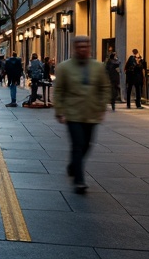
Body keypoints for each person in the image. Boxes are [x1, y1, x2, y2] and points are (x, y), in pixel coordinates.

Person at [55, 35, 110, 193]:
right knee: (78, 145)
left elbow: (105, 88)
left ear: (89, 48)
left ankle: (73, 165)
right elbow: (59, 91)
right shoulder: (64, 67)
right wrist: (60, 111)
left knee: (87, 145)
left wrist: (102, 107)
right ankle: (79, 180)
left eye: (85, 46)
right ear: (74, 48)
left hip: (91, 113)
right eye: (79, 46)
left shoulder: (98, 67)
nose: (82, 49)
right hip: (73, 114)